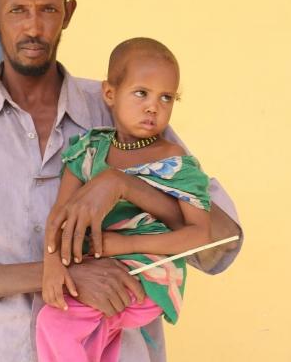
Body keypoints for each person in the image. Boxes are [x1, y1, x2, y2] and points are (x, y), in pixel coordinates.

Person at [0, 0, 243, 362]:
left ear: (68, 13)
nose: (33, 27)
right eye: (17, 11)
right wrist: (61, 273)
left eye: (47, 10)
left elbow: (219, 243)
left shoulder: (122, 108)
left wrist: (122, 185)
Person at [37, 38, 212, 362]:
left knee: (55, 324)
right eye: (141, 93)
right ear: (109, 94)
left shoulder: (173, 160)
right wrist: (51, 265)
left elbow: (200, 235)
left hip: (150, 275)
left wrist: (123, 245)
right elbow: (59, 212)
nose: (153, 107)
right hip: (104, 271)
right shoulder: (89, 150)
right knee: (94, 343)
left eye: (166, 97)